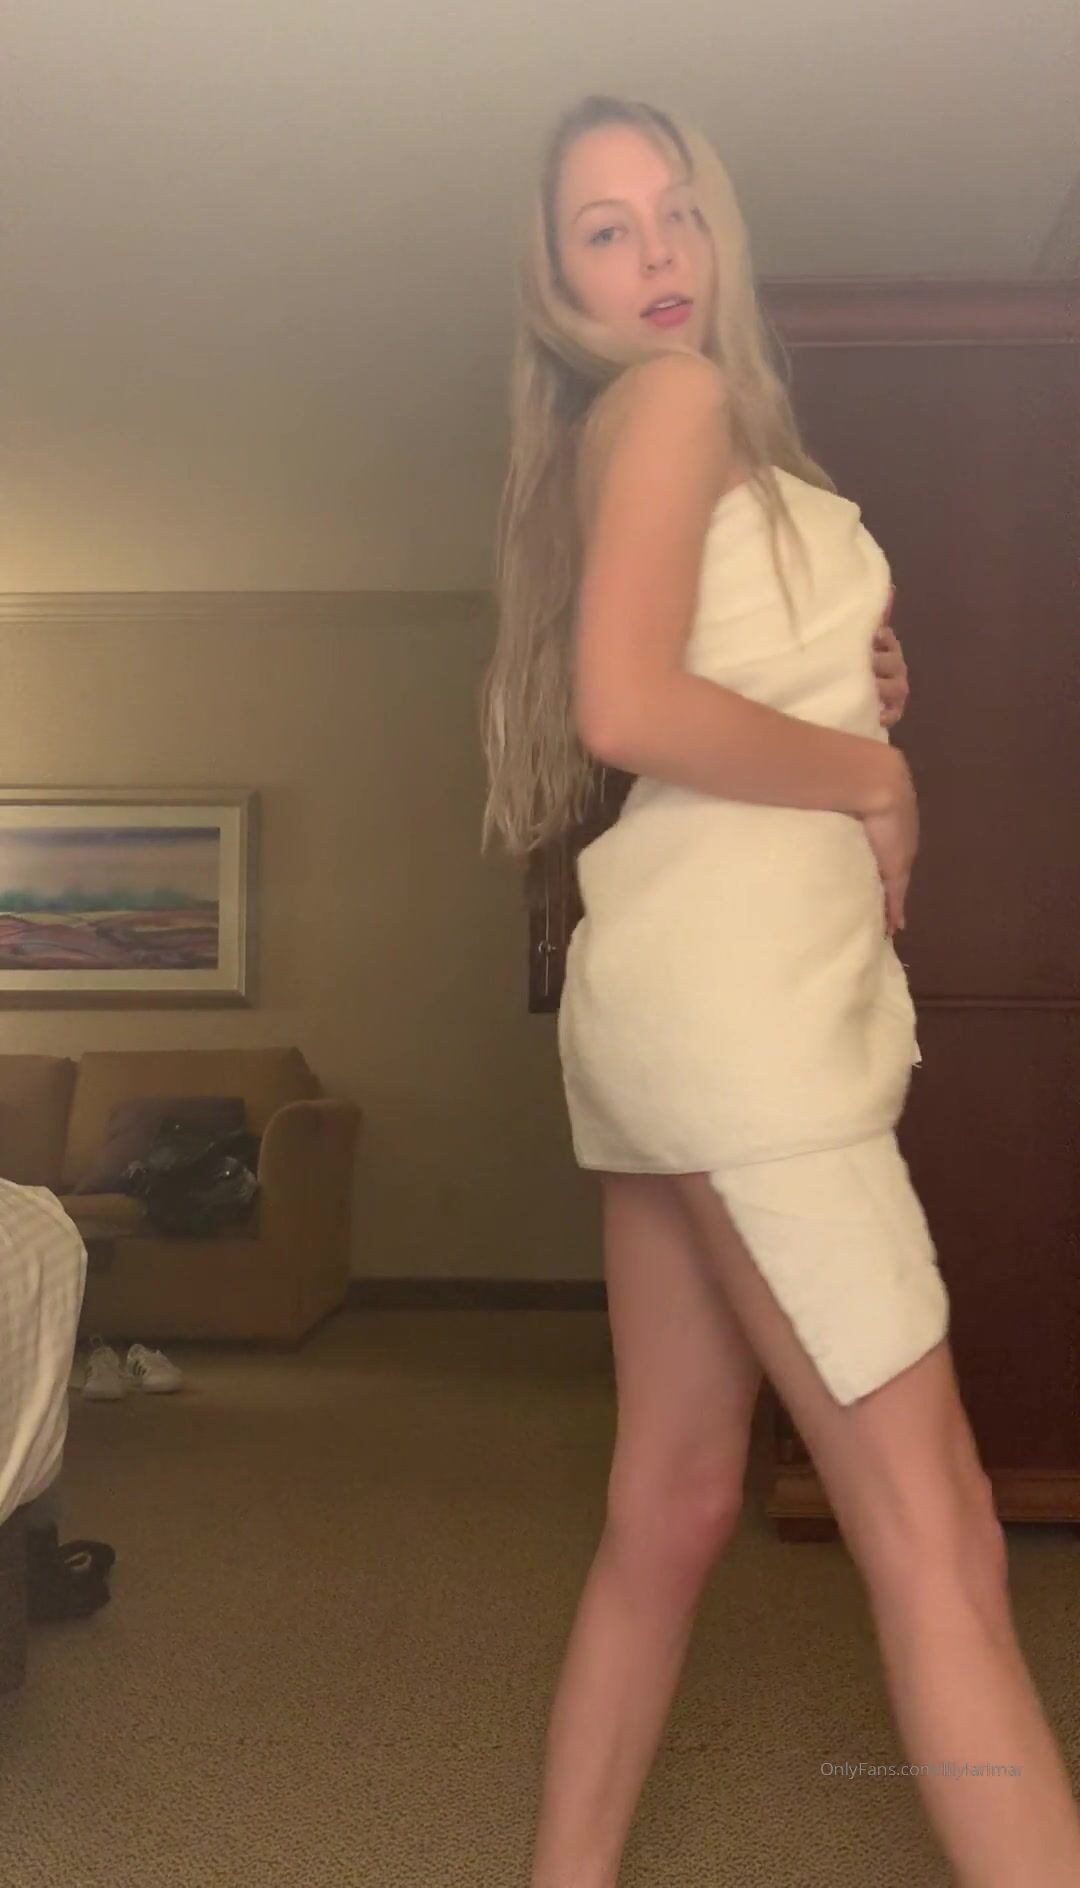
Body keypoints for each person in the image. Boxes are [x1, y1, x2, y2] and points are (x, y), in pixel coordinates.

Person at [480, 93, 1080, 1888]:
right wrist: (875, 774)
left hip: (668, 1009)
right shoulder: (670, 401)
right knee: (940, 1530)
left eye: (676, 211)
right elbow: (628, 708)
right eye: (605, 229)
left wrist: (847, 682)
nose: (657, 253)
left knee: (670, 1505)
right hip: (745, 1024)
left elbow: (700, 676)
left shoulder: (676, 435)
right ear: (558, 278)